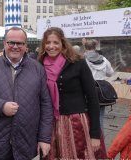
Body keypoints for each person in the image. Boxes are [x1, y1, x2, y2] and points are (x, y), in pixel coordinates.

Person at [0, 27, 53, 160]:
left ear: (26, 46)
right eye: (11, 42)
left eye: (20, 43)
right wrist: (1, 106)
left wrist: (44, 138)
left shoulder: (37, 68)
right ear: (4, 43)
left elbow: (46, 105)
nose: (15, 46)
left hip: (27, 142)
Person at [38, 27, 106, 159]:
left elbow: (92, 98)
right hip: (50, 123)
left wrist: (95, 134)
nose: (51, 46)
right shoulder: (39, 64)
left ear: (63, 44)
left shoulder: (77, 62)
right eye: (47, 42)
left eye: (55, 42)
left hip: (77, 124)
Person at [84, 39, 114, 129]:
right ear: (95, 47)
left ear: (85, 48)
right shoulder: (104, 59)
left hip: (87, 90)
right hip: (101, 90)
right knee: (100, 116)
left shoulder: (83, 59)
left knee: (86, 116)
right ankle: (100, 141)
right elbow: (111, 73)